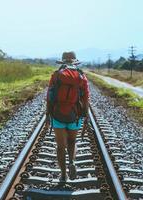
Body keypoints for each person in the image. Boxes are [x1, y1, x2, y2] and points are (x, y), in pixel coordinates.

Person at [46, 51, 89, 182]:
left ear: (63, 61)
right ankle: (72, 162)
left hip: (58, 114)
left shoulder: (56, 75)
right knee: (72, 141)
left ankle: (63, 175)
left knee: (60, 146)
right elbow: (86, 98)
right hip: (74, 115)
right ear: (75, 61)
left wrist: (48, 115)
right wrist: (85, 116)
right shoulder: (81, 76)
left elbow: (49, 96)